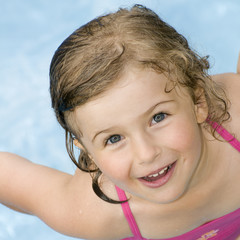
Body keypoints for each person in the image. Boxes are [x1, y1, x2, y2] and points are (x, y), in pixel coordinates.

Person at [0, 4, 240, 240]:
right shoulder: (94, 213)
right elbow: (11, 178)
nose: (146, 154)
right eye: (113, 139)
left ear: (198, 102)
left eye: (158, 117)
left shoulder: (235, 124)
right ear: (90, 155)